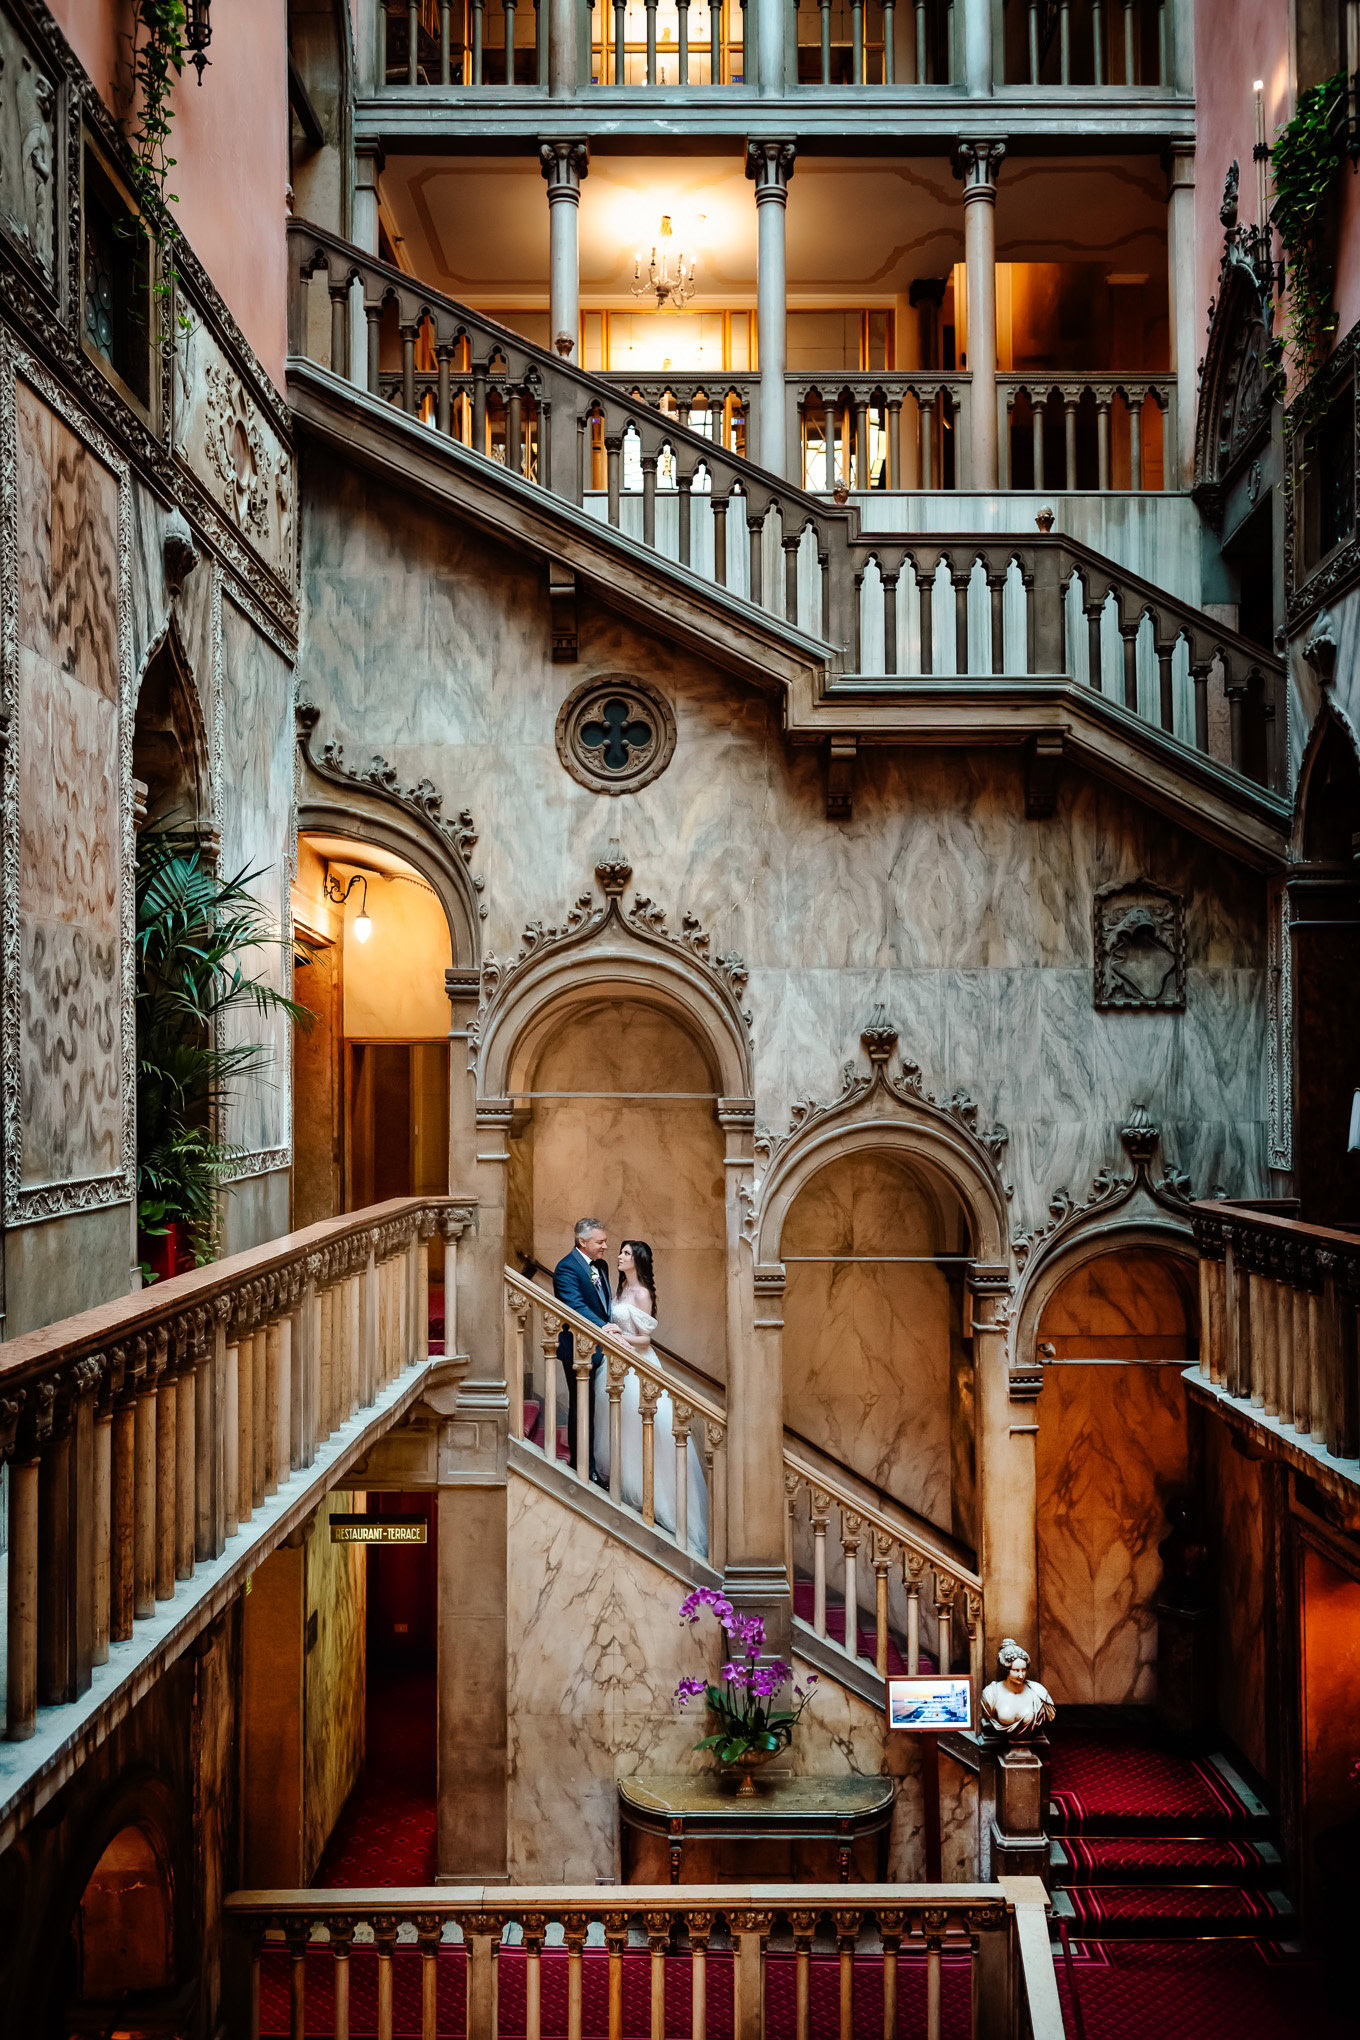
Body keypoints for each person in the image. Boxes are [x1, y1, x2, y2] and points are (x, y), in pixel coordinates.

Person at [595, 1239, 708, 1558]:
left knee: (648, 1429)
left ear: (638, 1260)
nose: (620, 1256)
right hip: (616, 1364)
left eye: (626, 1253)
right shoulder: (617, 1290)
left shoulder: (642, 1293)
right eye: (620, 1251)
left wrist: (618, 1335)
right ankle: (627, 1489)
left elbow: (645, 1339)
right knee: (622, 1429)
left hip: (638, 1365)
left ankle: (659, 1505)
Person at [553, 1217, 612, 1483]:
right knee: (582, 1406)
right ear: (582, 1241)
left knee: (595, 1407)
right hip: (578, 1350)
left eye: (605, 1241)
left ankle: (594, 1462)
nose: (605, 1247)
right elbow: (575, 1306)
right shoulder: (566, 1268)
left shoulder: (601, 1266)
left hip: (599, 1349)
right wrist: (604, 1327)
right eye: (600, 1242)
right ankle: (582, 1466)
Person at [979, 1639, 1056, 1738]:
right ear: (1006, 1670)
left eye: (1023, 1670)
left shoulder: (1038, 1692)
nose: (1021, 1675)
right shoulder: (990, 1694)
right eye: (1016, 1670)